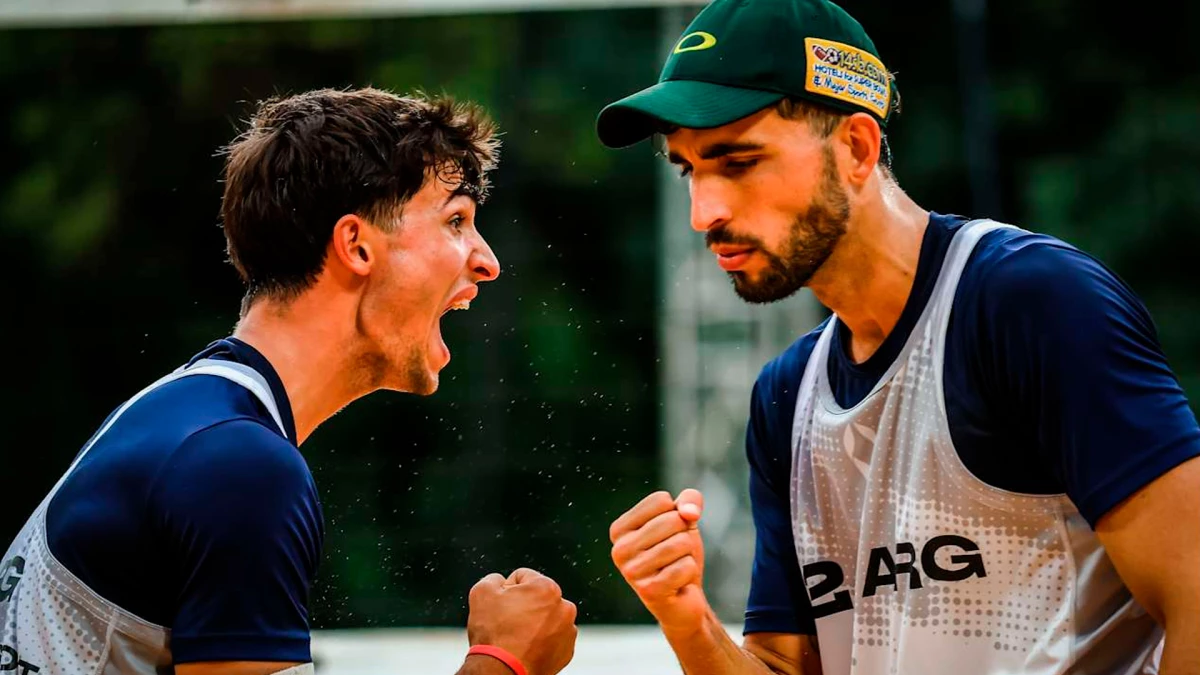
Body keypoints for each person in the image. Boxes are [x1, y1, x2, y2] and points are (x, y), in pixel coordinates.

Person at [595, 0, 1200, 673]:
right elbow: (781, 666)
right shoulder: (786, 395)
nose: (704, 211)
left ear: (856, 147)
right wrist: (689, 619)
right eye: (688, 170)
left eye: (736, 162)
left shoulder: (1029, 303)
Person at [0, 88, 577, 675]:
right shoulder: (239, 466)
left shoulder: (188, 419)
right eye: (455, 220)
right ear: (355, 245)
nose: (487, 261)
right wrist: (505, 661)